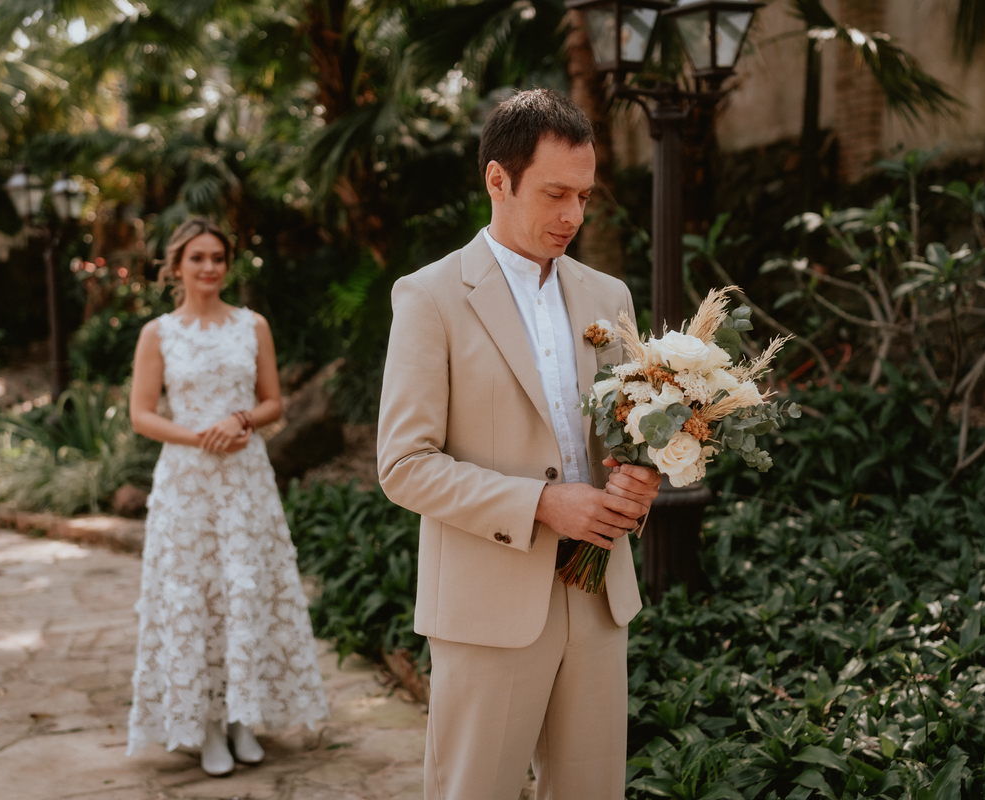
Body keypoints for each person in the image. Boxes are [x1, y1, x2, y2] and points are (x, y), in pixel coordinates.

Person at [376, 89, 662, 799]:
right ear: (497, 181)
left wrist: (640, 474)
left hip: (598, 598)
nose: (574, 216)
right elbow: (404, 467)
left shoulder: (609, 295)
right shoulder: (429, 296)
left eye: (585, 196)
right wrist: (539, 503)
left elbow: (626, 430)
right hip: (486, 603)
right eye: (555, 193)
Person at [126, 217, 328, 775]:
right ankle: (207, 726)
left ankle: (243, 720)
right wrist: (199, 436)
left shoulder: (252, 325)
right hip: (186, 483)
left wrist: (239, 420)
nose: (210, 266)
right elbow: (141, 414)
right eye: (198, 258)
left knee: (245, 588)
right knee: (195, 597)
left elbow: (273, 403)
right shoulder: (158, 334)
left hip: (245, 480)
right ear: (177, 266)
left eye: (218, 257)